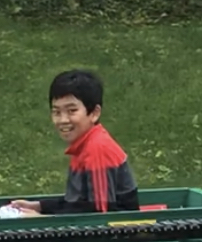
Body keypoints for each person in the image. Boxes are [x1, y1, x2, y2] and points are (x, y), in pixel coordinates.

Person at [10, 69, 139, 216]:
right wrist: (39, 206)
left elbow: (99, 214)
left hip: (118, 236)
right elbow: (77, 203)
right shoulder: (83, 145)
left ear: (94, 113)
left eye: (71, 111)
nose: (63, 120)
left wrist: (43, 219)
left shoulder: (97, 148)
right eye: (56, 112)